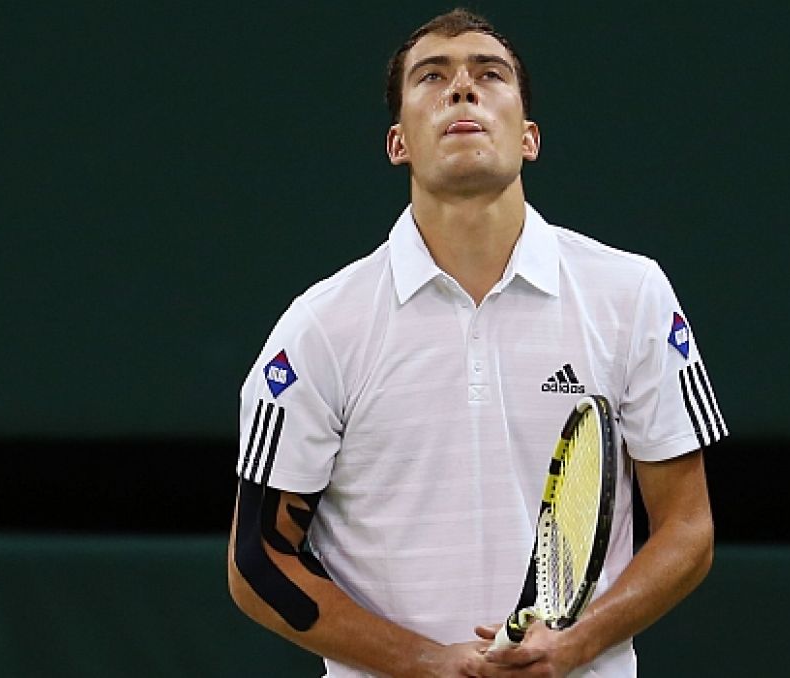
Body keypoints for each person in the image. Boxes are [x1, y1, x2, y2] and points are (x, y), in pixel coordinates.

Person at [227, 8, 726, 677]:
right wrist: (429, 663)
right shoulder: (320, 327)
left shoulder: (630, 294)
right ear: (397, 142)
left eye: (489, 74)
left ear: (529, 138)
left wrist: (577, 643)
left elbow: (688, 531)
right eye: (432, 77)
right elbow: (257, 561)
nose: (462, 88)